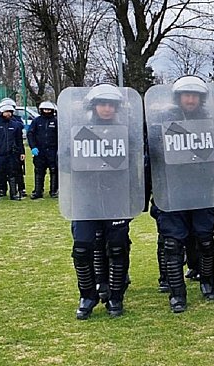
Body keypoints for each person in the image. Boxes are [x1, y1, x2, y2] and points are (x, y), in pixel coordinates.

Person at [58, 83, 143, 319]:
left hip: (116, 198)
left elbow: (137, 162)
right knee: (82, 248)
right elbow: (65, 162)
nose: (106, 108)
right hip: (86, 198)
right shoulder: (79, 130)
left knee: (117, 247)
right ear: (93, 106)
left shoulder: (126, 132)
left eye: (111, 105)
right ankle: (87, 295)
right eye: (102, 104)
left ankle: (116, 296)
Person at [147, 76, 214, 313]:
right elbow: (151, 158)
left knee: (205, 240)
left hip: (202, 192)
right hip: (172, 193)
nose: (190, 99)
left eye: (195, 95)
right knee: (172, 244)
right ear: (179, 97)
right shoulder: (162, 122)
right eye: (186, 95)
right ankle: (177, 293)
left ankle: (207, 282)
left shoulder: (209, 123)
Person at [0, 102, 24, 201]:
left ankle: (13, 194)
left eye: (10, 112)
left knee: (12, 173)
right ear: (1, 112)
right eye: (6, 112)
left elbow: (19, 140)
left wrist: (22, 152)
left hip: (12, 154)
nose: (8, 114)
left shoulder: (15, 125)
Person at [27, 101, 59, 199]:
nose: (47, 111)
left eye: (49, 109)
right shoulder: (37, 121)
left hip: (53, 151)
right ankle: (38, 191)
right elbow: (30, 134)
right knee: (39, 171)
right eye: (45, 109)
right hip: (39, 151)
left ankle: (54, 191)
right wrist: (33, 147)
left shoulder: (56, 121)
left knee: (54, 171)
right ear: (41, 110)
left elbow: (61, 135)